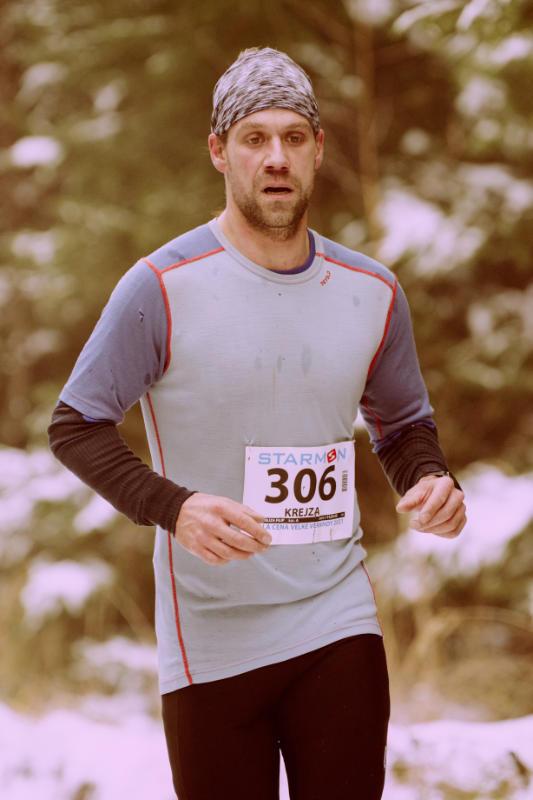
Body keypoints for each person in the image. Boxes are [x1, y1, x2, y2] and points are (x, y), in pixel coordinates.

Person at [49, 46, 466, 800]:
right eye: (254, 138)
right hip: (212, 636)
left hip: (336, 618)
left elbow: (402, 425)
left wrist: (431, 477)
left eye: (293, 137)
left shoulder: (371, 290)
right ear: (219, 150)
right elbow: (75, 425)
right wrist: (174, 508)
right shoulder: (161, 286)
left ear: (318, 149)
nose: (276, 157)